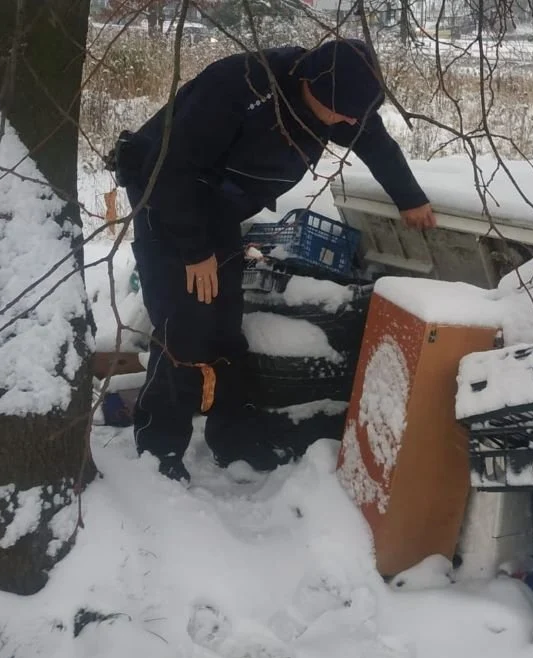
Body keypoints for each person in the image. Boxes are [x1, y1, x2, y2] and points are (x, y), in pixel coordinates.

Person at [108, 38, 436, 483]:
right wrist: (194, 251)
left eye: (356, 114)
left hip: (219, 204)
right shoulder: (237, 87)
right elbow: (172, 169)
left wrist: (410, 199)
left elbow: (374, 141)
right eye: (342, 112)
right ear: (308, 87)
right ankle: (159, 451)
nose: (350, 122)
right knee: (183, 325)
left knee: (224, 323)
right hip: (166, 200)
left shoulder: (340, 94)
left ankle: (234, 439)